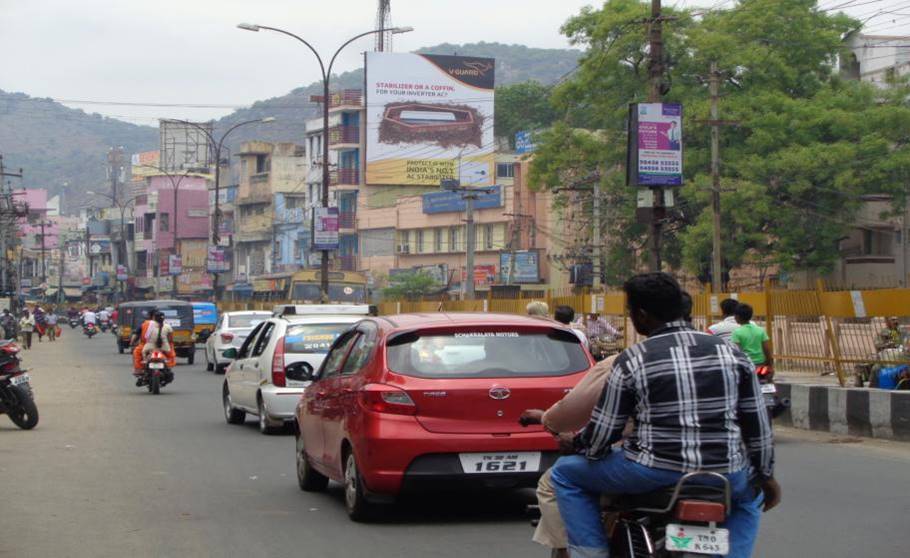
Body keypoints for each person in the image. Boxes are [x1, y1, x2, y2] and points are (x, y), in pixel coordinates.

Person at [550, 273, 778, 558]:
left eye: (631, 311)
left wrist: (578, 444)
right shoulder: (733, 355)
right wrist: (766, 476)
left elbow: (602, 435)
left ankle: (590, 553)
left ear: (642, 315)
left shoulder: (633, 359)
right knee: (750, 499)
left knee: (565, 474)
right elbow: (757, 425)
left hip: (650, 470)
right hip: (725, 471)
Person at [520, 354, 619, 557]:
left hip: (646, 464)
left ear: (640, 320)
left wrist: (547, 419)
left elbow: (600, 426)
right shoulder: (704, 354)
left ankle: (574, 551)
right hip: (699, 469)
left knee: (558, 476)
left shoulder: (623, 362)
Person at [731, 303, 773, 369]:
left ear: (737, 317)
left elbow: (738, 351)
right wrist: (769, 364)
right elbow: (766, 349)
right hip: (761, 364)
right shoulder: (760, 330)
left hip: (746, 365)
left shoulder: (736, 332)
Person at [132, 309, 157, 375]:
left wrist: (132, 342)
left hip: (145, 345)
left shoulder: (144, 324)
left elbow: (136, 335)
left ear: (150, 316)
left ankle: (139, 369)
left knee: (136, 352)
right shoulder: (165, 324)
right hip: (161, 345)